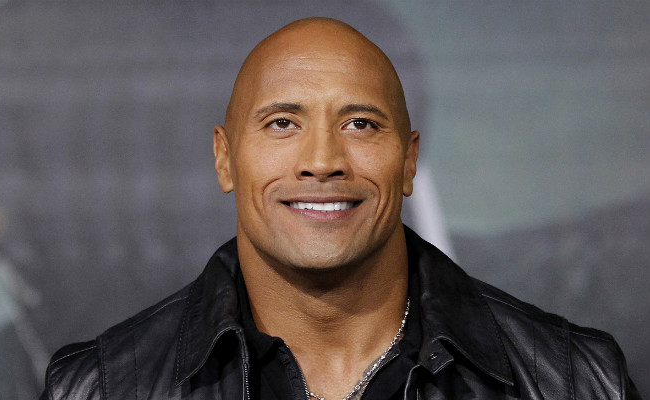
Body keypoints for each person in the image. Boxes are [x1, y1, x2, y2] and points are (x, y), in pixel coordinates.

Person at [40, 17, 639, 400]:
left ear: (409, 161)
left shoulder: (575, 380)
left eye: (360, 124)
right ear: (224, 159)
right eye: (282, 123)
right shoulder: (101, 386)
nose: (322, 161)